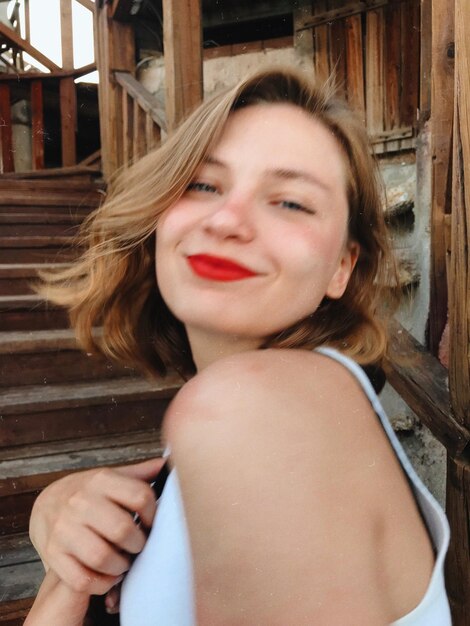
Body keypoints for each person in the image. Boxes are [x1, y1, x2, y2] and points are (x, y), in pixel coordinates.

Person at [25, 66, 450, 625]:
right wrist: (56, 529)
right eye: (203, 185)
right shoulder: (234, 423)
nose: (227, 219)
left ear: (342, 268)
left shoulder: (257, 409)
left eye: (291, 202)